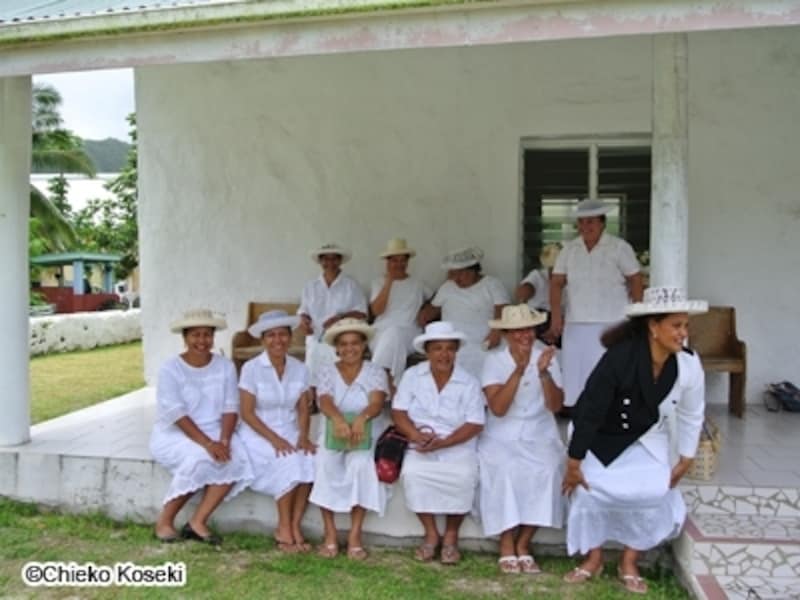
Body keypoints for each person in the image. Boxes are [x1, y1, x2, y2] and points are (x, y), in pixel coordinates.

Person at [561, 286, 707, 594]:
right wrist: (574, 462)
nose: (683, 333)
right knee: (589, 490)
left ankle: (630, 560)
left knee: (654, 491)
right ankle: (594, 557)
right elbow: (590, 412)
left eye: (686, 325)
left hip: (649, 438)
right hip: (600, 438)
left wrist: (686, 457)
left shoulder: (689, 364)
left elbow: (692, 413)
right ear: (653, 326)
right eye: (676, 325)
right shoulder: (619, 358)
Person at [149, 309, 254, 545]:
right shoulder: (170, 369)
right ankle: (164, 522)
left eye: (207, 334)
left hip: (216, 430)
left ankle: (197, 522)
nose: (202, 341)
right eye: (195, 335)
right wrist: (208, 444)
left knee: (234, 458)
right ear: (185, 338)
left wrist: (224, 441)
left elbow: (231, 406)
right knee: (199, 458)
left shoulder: (225, 366)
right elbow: (176, 413)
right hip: (176, 433)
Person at [478, 305, 565, 574]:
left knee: (549, 469)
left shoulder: (547, 357)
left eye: (528, 329)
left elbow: (555, 406)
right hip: (502, 433)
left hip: (540, 431)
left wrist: (543, 373)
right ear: (506, 334)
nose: (524, 336)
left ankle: (524, 542)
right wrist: (519, 370)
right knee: (505, 469)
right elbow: (498, 408)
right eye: (516, 331)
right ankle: (506, 542)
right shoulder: (494, 361)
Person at [392, 321, 485, 565]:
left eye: (449, 348)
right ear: (427, 351)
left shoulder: (469, 381)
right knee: (413, 474)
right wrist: (414, 435)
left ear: (456, 351)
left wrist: (445, 443)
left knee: (464, 476)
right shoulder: (412, 376)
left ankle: (451, 535)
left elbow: (475, 423)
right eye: (437, 348)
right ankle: (431, 534)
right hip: (421, 442)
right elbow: (398, 412)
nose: (444, 354)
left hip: (458, 444)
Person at [545, 200, 643, 410]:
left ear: (602, 223)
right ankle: (579, 417)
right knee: (576, 376)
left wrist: (638, 316)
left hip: (612, 322)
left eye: (590, 221)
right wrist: (556, 317)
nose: (585, 227)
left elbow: (635, 280)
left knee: (609, 373)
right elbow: (556, 283)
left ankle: (611, 416)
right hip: (576, 323)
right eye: (581, 222)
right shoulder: (569, 249)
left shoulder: (619, 247)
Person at [308, 318, 390, 560]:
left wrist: (362, 419)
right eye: (343, 344)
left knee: (361, 465)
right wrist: (338, 420)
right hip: (334, 429)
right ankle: (330, 533)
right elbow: (324, 401)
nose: (349, 348)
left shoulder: (375, 371)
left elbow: (376, 403)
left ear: (364, 345)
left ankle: (355, 535)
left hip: (366, 430)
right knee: (324, 463)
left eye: (355, 343)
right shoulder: (327, 371)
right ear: (336, 348)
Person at [238, 310, 316, 553]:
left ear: (290, 337)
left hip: (290, 429)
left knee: (311, 459)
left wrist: (303, 436)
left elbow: (303, 408)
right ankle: (283, 528)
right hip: (258, 432)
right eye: (271, 335)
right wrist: (275, 440)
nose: (277, 340)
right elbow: (247, 413)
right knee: (288, 460)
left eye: (283, 334)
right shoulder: (251, 368)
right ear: (263, 340)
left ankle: (294, 525)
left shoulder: (300, 368)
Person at [421, 247, 510, 375]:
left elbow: (503, 309)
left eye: (460, 273)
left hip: (484, 339)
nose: (456, 279)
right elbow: (427, 315)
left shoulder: (492, 284)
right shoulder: (447, 287)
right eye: (453, 274)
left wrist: (496, 331)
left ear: (473, 270)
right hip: (454, 340)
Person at [297, 243, 368, 384]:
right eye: (326, 259)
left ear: (340, 261)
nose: (330, 263)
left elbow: (362, 313)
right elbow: (304, 311)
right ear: (320, 261)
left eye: (334, 258)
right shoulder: (310, 286)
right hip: (316, 338)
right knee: (312, 374)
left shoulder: (351, 285)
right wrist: (304, 320)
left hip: (341, 338)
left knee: (337, 378)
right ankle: (314, 394)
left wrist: (340, 318)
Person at [369, 238, 432, 387]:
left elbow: (434, 300)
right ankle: (391, 386)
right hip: (380, 333)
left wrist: (425, 310)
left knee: (395, 333)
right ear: (387, 262)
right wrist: (389, 281)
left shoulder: (418, 284)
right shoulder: (378, 282)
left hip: (409, 331)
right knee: (392, 335)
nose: (399, 264)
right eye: (395, 261)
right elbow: (376, 311)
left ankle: (375, 382)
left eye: (403, 260)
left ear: (407, 262)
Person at [515, 243, 561, 340]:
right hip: (537, 319)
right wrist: (527, 289)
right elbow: (522, 292)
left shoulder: (570, 280)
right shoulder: (537, 275)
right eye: (552, 268)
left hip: (560, 320)